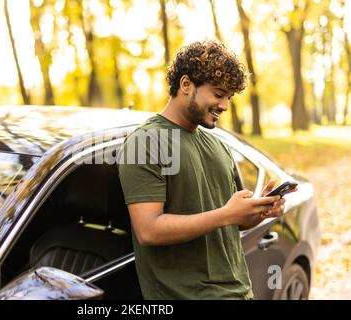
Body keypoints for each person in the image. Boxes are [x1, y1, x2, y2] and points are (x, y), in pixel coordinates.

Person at [117, 40, 294, 299]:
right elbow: (149, 230)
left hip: (238, 293)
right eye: (218, 94)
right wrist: (226, 215)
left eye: (229, 97)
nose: (224, 105)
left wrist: (260, 211)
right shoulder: (145, 142)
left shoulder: (218, 145)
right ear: (186, 84)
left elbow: (230, 221)